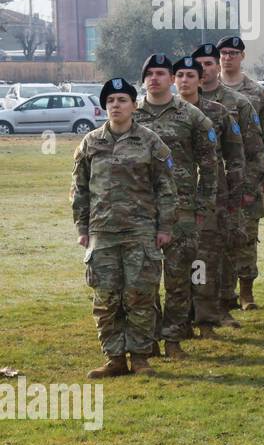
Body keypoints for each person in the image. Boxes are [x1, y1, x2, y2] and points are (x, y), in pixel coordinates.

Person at [72, 78, 176, 377]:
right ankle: (115, 358)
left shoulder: (150, 142)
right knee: (106, 299)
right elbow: (79, 189)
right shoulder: (91, 142)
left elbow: (166, 188)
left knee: (140, 297)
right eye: (110, 101)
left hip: (140, 232)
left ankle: (141, 357)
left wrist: (164, 226)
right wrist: (82, 227)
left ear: (133, 105)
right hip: (102, 234)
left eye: (122, 100)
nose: (115, 105)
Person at [134, 53, 217, 359]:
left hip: (182, 210)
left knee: (179, 279)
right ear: (144, 80)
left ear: (171, 78)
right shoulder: (132, 114)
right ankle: (151, 338)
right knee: (144, 279)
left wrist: (203, 206)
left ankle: (173, 339)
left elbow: (210, 165)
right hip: (142, 210)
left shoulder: (191, 116)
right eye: (150, 73)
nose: (155, 78)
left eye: (161, 73)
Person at [193, 42, 264, 328]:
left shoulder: (236, 103)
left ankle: (226, 302)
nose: (204, 69)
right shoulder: (178, 105)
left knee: (224, 248)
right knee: (192, 253)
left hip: (224, 192)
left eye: (209, 63)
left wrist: (248, 189)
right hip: (187, 193)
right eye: (198, 65)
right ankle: (192, 307)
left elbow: (253, 150)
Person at [173, 56, 244, 340]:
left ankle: (205, 319)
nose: (185, 80)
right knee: (177, 262)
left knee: (204, 262)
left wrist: (234, 199)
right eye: (180, 75)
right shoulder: (158, 113)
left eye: (191, 75)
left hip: (211, 200)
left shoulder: (218, 113)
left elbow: (235, 157)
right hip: (172, 201)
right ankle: (178, 320)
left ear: (201, 80)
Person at [217, 35, 264, 310]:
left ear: (243, 56)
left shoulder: (257, 94)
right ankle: (221, 292)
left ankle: (246, 291)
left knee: (246, 236)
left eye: (233, 53)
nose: (227, 57)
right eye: (224, 53)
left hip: (248, 177)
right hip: (218, 178)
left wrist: (260, 180)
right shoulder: (206, 89)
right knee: (217, 238)